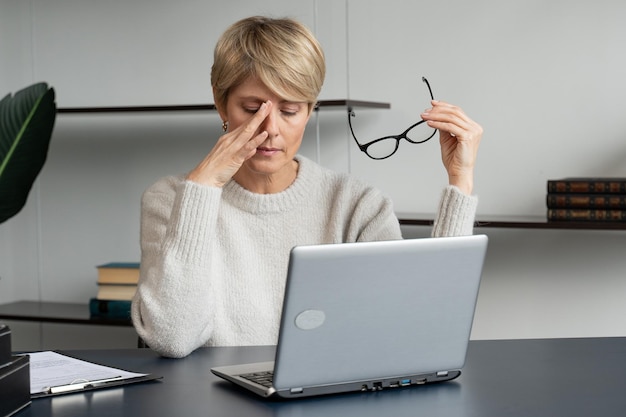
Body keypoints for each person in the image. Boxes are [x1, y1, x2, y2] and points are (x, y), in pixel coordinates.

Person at [131, 16, 483, 358]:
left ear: (311, 110)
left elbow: (420, 332)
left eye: (290, 110)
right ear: (221, 102)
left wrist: (460, 181)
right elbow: (173, 337)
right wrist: (203, 187)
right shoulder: (171, 198)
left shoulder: (358, 205)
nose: (270, 129)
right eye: (252, 109)